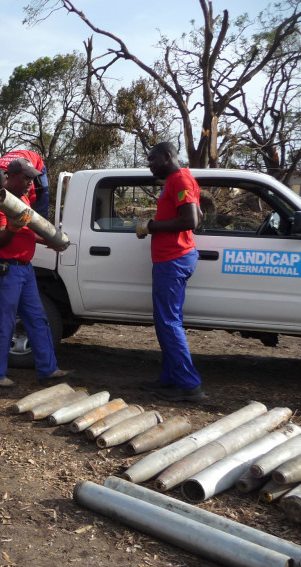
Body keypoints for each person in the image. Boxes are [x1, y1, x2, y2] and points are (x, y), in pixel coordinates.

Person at [0, 159, 67, 387]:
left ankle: (48, 369)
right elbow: (0, 240)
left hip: (24, 269)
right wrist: (13, 227)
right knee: (5, 324)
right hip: (6, 270)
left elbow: (26, 232)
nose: (30, 183)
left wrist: (47, 240)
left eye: (32, 178)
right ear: (11, 176)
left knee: (38, 319)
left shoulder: (24, 200)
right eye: (25, 178)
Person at [137, 141, 205, 402]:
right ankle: (170, 379)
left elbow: (191, 220)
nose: (150, 165)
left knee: (168, 322)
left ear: (167, 156)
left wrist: (152, 226)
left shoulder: (180, 180)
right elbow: (197, 215)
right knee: (167, 320)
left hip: (174, 259)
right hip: (175, 258)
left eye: (153, 160)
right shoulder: (181, 179)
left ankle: (189, 385)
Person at [0, 149, 50, 218]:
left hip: (35, 162)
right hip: (16, 158)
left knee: (40, 204)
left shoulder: (26, 181)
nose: (6, 193)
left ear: (9, 177)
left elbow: (30, 204)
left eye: (7, 189)